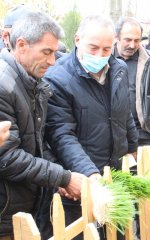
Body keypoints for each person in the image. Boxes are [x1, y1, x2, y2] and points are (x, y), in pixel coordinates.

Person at [43, 15, 138, 239]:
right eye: (93, 48)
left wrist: (133, 148)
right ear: (78, 39)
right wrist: (90, 175)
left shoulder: (119, 69)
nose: (99, 56)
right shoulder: (58, 77)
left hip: (113, 173)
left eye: (106, 49)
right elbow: (61, 134)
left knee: (117, 232)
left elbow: (125, 114)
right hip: (80, 182)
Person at [0, 11, 84, 239]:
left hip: (25, 206)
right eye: (46, 52)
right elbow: (8, 157)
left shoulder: (33, 83)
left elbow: (36, 143)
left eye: (54, 53)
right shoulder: (3, 86)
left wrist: (59, 178)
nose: (53, 61)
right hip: (7, 211)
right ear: (22, 45)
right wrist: (63, 177)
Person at [114, 17, 150, 147]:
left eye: (137, 40)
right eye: (128, 40)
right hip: (112, 134)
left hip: (143, 134)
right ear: (116, 37)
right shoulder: (104, 59)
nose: (132, 45)